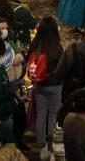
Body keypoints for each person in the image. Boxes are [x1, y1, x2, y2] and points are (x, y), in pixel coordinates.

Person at [27, 17, 65, 159]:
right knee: (53, 115)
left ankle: (40, 144)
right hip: (55, 86)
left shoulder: (36, 45)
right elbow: (62, 68)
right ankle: (51, 146)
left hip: (39, 85)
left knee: (41, 114)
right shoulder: (57, 47)